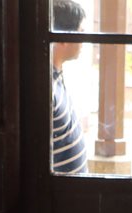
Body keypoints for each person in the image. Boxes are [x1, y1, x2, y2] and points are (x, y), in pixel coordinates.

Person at [51, 0, 88, 174]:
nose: (83, 39)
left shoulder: (57, 74)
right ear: (64, 37)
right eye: (80, 31)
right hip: (61, 196)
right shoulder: (46, 87)